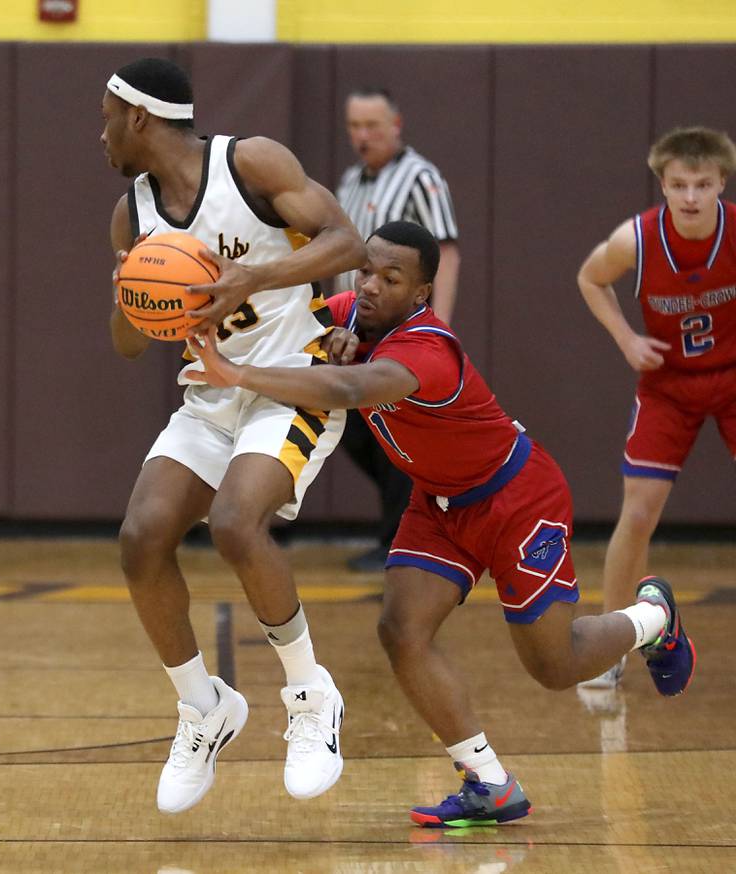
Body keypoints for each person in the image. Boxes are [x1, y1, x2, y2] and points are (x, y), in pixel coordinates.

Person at [185, 220, 696, 826]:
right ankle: (488, 783)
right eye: (366, 270)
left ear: (421, 292)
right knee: (401, 630)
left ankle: (653, 618)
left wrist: (239, 375)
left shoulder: (427, 349)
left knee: (555, 666)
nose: (370, 285)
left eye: (390, 278)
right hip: (439, 503)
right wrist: (191, 298)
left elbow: (349, 387)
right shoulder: (349, 314)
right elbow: (284, 322)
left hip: (516, 501)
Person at [101, 57, 365, 814]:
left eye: (107, 115)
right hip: (212, 396)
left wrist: (256, 278)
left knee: (235, 524)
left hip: (292, 382)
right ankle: (203, 707)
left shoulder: (249, 162)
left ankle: (312, 697)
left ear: (140, 117)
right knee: (141, 536)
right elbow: (125, 345)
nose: (101, 134)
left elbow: (348, 241)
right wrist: (130, 295)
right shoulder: (132, 213)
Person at [577, 126, 736, 688]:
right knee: (639, 511)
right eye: (678, 185)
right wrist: (626, 339)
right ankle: (611, 644)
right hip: (669, 385)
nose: (690, 197)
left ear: (722, 182)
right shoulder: (636, 240)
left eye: (702, 185)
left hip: (732, 377)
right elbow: (591, 279)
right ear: (662, 184)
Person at [335, 87, 462, 572]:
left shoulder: (421, 178)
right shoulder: (351, 180)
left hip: (403, 327)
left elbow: (445, 251)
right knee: (352, 423)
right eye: (355, 126)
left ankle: (399, 539)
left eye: (373, 125)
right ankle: (404, 528)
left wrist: (437, 328)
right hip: (357, 322)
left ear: (396, 124)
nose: (363, 136)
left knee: (395, 427)